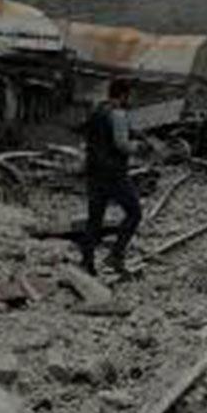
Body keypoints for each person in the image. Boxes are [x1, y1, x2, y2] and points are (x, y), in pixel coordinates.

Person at [82, 78, 141, 277]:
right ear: (124, 95)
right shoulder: (118, 114)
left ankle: (87, 262)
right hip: (114, 175)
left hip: (94, 173)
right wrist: (139, 147)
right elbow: (121, 144)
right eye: (129, 94)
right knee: (134, 213)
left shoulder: (96, 111)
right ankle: (116, 255)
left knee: (94, 219)